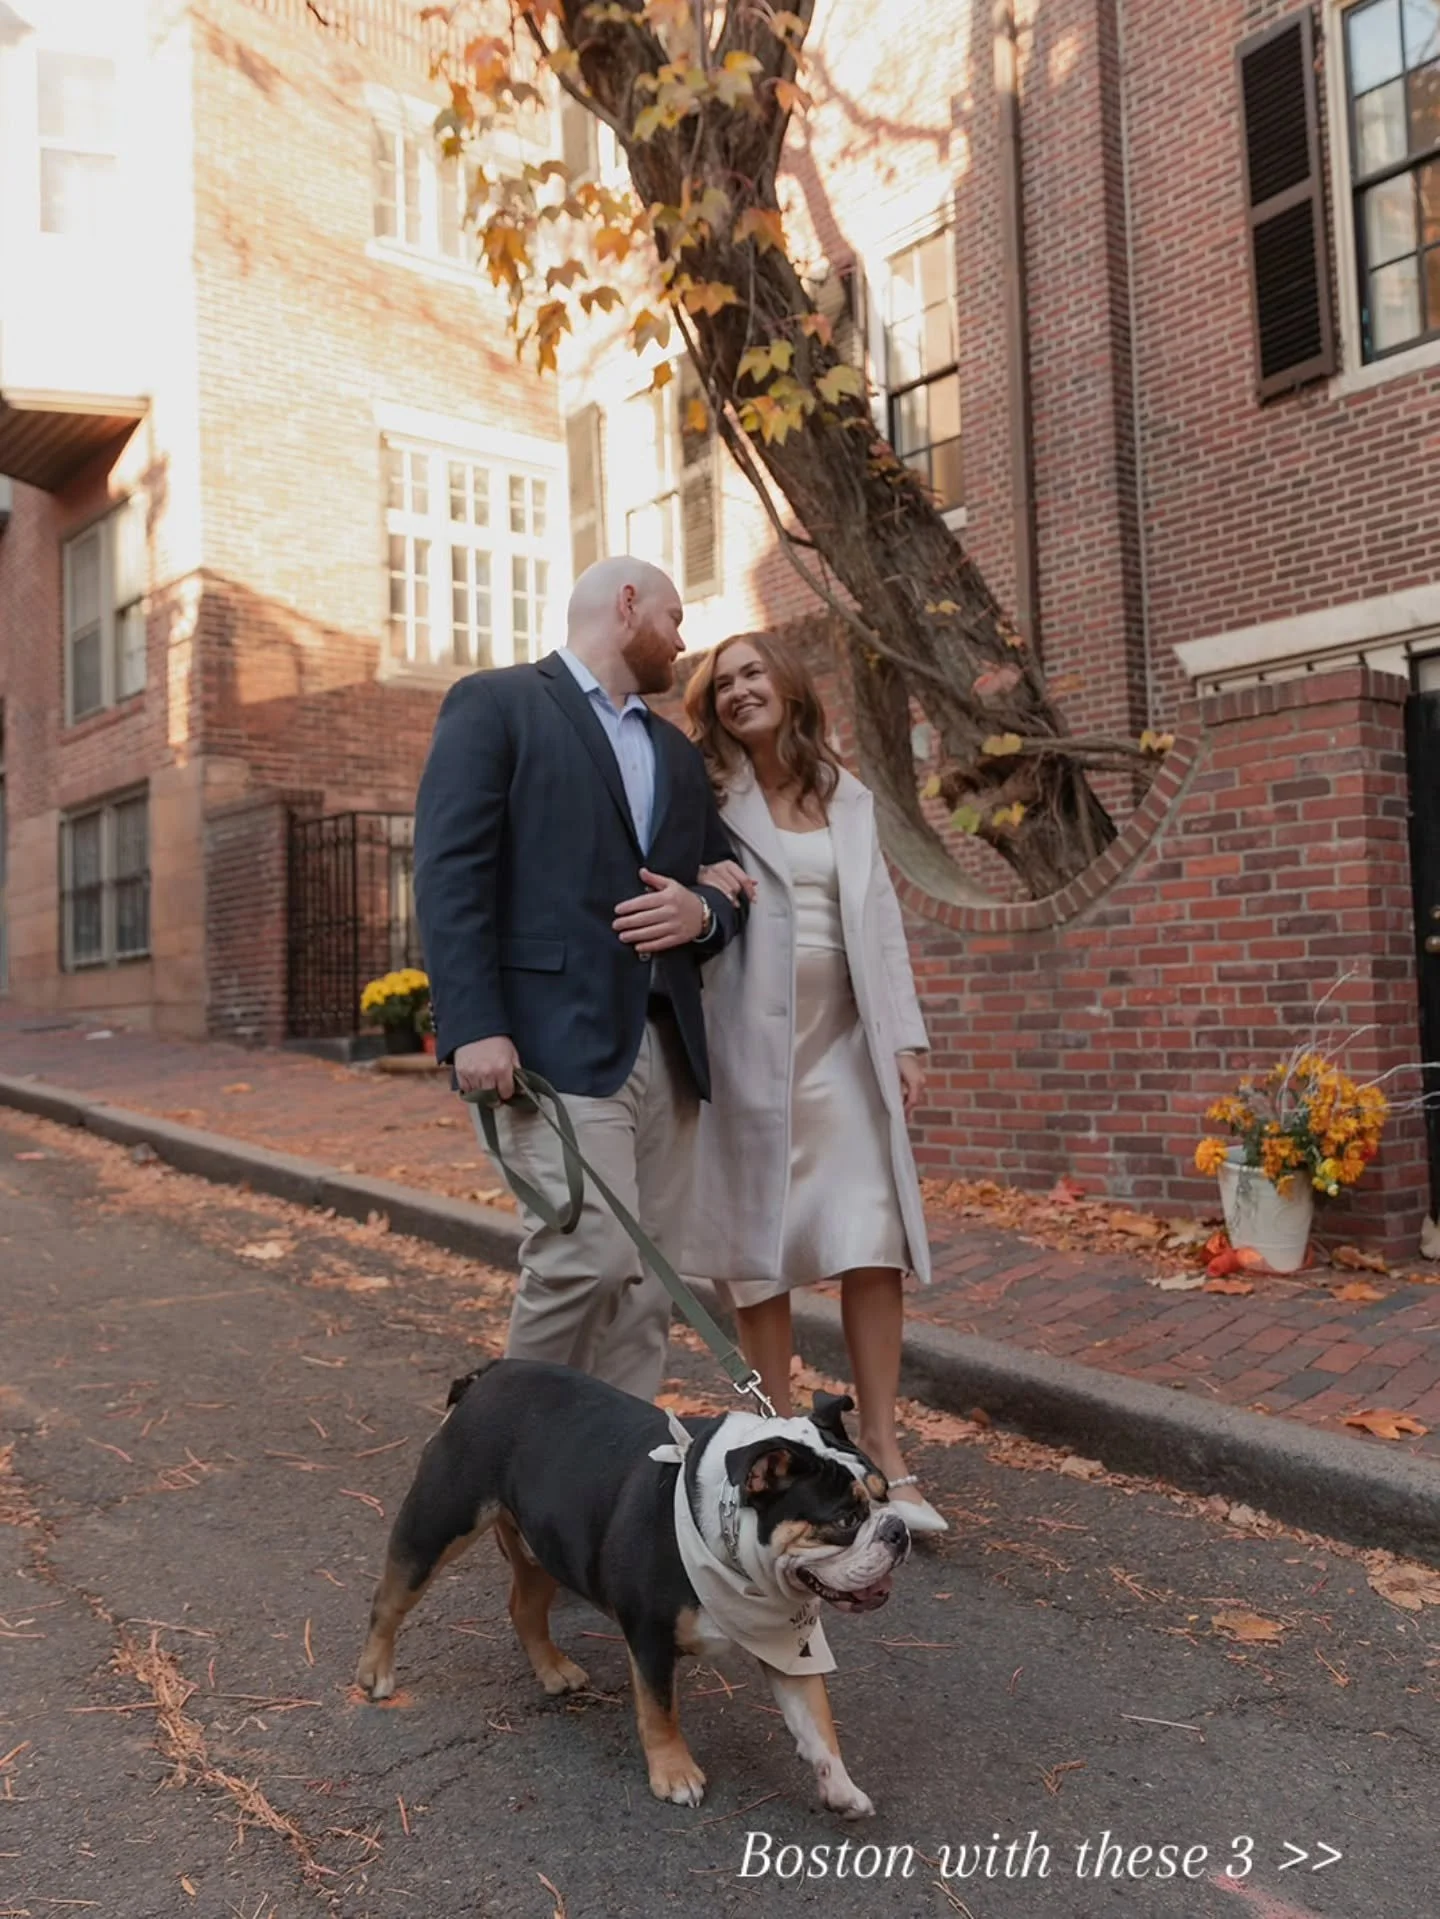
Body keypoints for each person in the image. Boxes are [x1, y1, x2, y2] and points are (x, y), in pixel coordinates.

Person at [413, 558, 748, 1403]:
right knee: (586, 1258)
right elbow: (451, 872)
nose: (682, 640)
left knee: (647, 1288)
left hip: (668, 1045)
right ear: (626, 604)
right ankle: (496, 1447)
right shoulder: (496, 704)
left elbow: (730, 877)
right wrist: (472, 1022)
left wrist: (700, 913)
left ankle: (615, 1492)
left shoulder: (675, 753)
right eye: (674, 618)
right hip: (549, 1043)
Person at [682, 634, 946, 1533]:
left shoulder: (851, 798)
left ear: (790, 686)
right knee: (760, 1251)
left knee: (871, 1238)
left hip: (845, 1044)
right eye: (721, 683)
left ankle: (883, 1443)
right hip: (747, 1045)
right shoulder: (706, 795)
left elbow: (880, 925)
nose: (737, 690)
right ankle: (775, 1433)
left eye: (753, 673)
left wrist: (906, 1041)